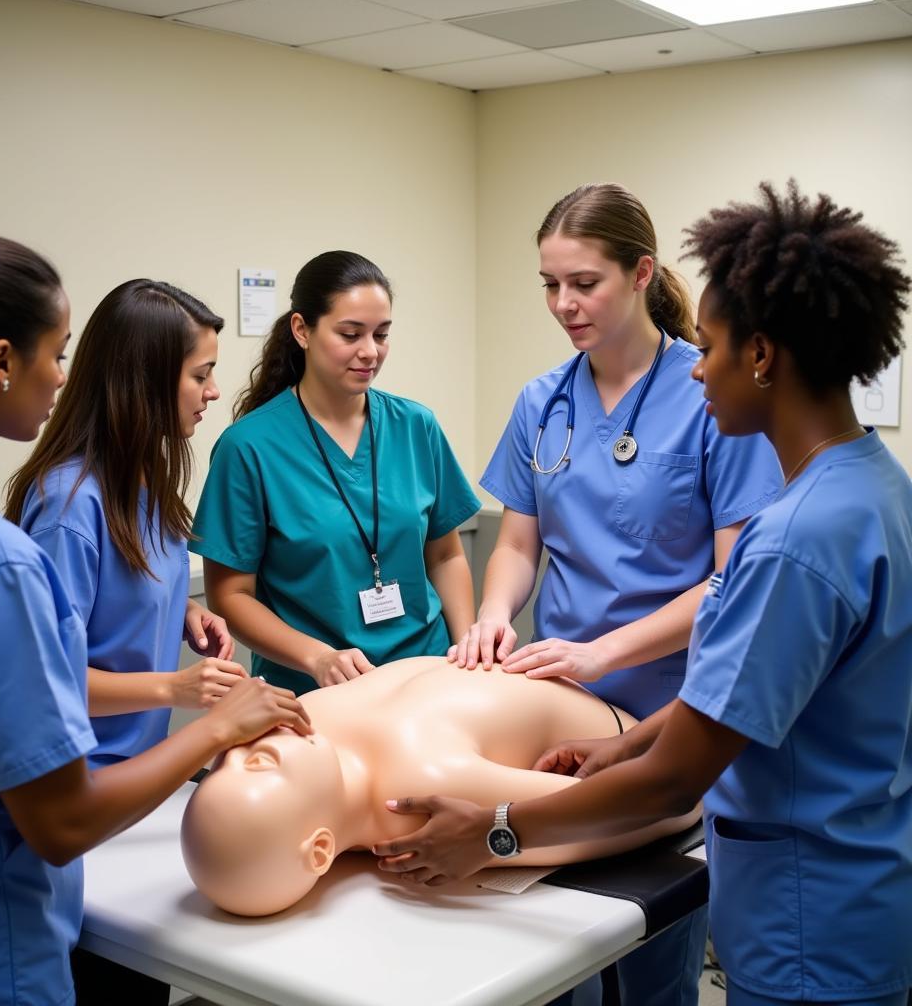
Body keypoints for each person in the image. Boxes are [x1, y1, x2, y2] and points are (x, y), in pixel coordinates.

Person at [374, 181, 912, 1006]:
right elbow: (755, 692)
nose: (700, 368)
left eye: (714, 345)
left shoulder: (795, 538)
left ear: (761, 355)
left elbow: (676, 778)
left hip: (810, 917)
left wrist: (495, 829)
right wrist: (619, 746)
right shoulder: (875, 488)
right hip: (853, 882)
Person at [0, 210, 312, 1006]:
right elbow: (60, 820)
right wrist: (212, 720)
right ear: (2, 361)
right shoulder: (6, 552)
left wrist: (178, 621)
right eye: (57, 354)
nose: (62, 377)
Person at [449, 182, 783, 1006]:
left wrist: (605, 650)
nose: (564, 304)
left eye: (584, 283)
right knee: (546, 957)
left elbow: (728, 580)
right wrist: (495, 615)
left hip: (668, 718)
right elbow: (518, 543)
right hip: (553, 711)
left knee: (650, 962)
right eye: (549, 285)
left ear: (641, 275)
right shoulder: (542, 401)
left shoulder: (710, 396)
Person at [181, 656, 700, 916]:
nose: (241, 748)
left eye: (227, 760)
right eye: (261, 764)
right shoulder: (421, 792)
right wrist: (680, 782)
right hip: (620, 736)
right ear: (319, 849)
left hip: (619, 723)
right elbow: (662, 805)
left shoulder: (303, 718)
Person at [191, 251, 481, 694]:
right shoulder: (249, 448)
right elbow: (231, 597)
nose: (370, 352)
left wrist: (466, 650)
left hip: (428, 675)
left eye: (381, 335)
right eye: (350, 334)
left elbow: (444, 555)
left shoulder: (416, 427)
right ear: (302, 330)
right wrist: (317, 657)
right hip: (316, 690)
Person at [5, 279, 244, 769]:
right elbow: (44, 680)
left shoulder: (145, 477)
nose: (214, 392)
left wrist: (178, 613)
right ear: (145, 380)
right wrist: (176, 687)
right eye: (201, 376)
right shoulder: (68, 509)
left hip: (135, 769)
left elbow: (114, 597)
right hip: (77, 783)